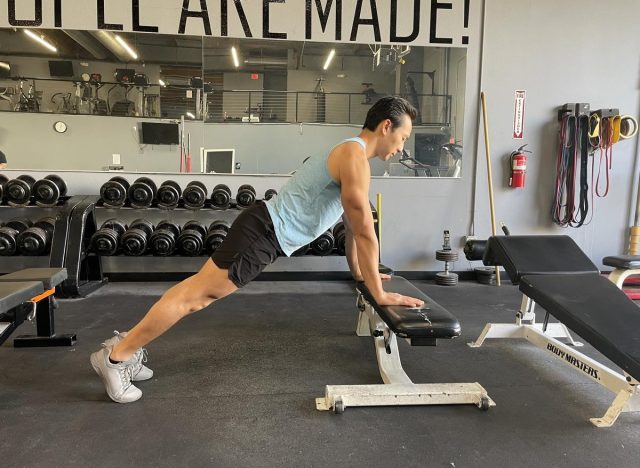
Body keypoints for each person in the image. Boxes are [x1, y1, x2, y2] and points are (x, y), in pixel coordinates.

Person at [90, 96, 425, 403]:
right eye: (404, 137)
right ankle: (117, 356)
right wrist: (378, 293)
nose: (401, 147)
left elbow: (354, 228)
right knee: (195, 298)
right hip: (262, 234)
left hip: (263, 231)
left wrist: (362, 276)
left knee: (194, 294)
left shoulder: (351, 155)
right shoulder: (354, 157)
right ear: (386, 127)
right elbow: (366, 231)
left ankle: (125, 347)